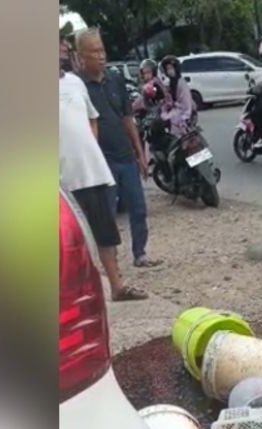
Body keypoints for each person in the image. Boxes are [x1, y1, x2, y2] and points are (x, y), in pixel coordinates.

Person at [59, 40, 146, 300]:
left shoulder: (75, 83)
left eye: (64, 50)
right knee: (70, 241)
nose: (63, 53)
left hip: (92, 170)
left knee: (106, 234)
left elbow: (92, 117)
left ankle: (117, 287)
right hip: (62, 180)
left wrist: (90, 148)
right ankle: (75, 293)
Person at [75, 28, 162, 268]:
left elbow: (127, 119)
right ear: (82, 56)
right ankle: (108, 262)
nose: (101, 56)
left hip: (125, 157)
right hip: (101, 162)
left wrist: (140, 154)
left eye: (102, 50)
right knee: (107, 217)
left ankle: (140, 253)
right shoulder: (76, 86)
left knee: (138, 209)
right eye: (94, 51)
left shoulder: (115, 79)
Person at [157, 55, 197, 139]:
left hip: (183, 114)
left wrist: (185, 117)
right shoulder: (171, 82)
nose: (169, 71)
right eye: (167, 69)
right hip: (176, 112)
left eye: (171, 68)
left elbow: (186, 103)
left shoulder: (181, 83)